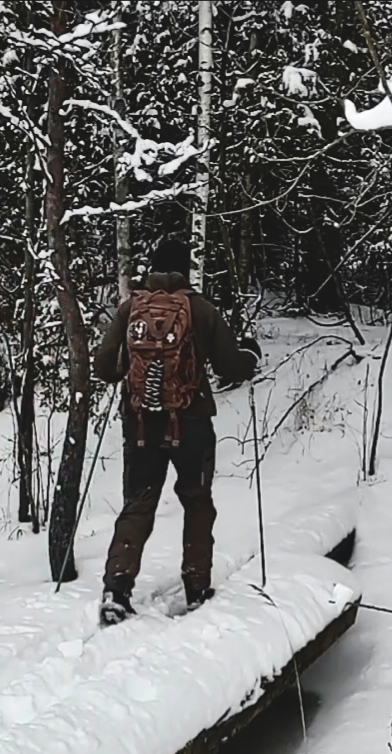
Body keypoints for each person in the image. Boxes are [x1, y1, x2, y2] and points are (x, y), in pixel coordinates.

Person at [93, 239, 261, 626]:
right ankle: (197, 589)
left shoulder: (130, 309)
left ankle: (116, 590)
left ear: (151, 270)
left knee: (138, 504)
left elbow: (104, 368)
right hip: (191, 423)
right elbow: (231, 368)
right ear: (187, 271)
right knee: (197, 502)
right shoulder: (200, 309)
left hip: (139, 426)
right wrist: (249, 355)